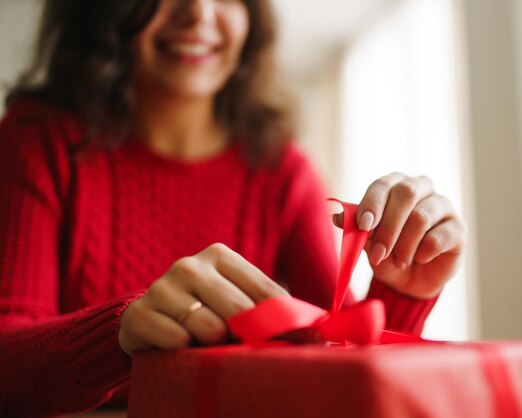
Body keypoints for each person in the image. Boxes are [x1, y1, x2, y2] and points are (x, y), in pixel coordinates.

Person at [0, 0, 467, 416]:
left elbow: (338, 351)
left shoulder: (283, 171)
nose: (199, 13)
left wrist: (400, 292)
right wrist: (119, 332)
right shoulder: (36, 141)